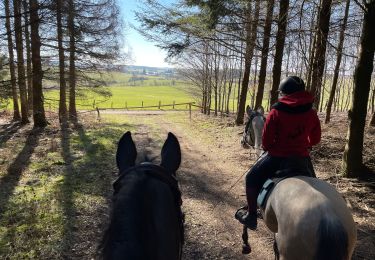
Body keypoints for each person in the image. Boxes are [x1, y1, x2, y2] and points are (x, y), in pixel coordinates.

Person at [236, 76, 321, 230]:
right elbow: (315, 139)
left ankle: (252, 216)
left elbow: (266, 142)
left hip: (277, 157)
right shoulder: (311, 111)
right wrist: (302, 144)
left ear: (285, 93)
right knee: (316, 187)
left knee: (251, 178)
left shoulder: (276, 110)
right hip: (302, 158)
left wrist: (276, 146)